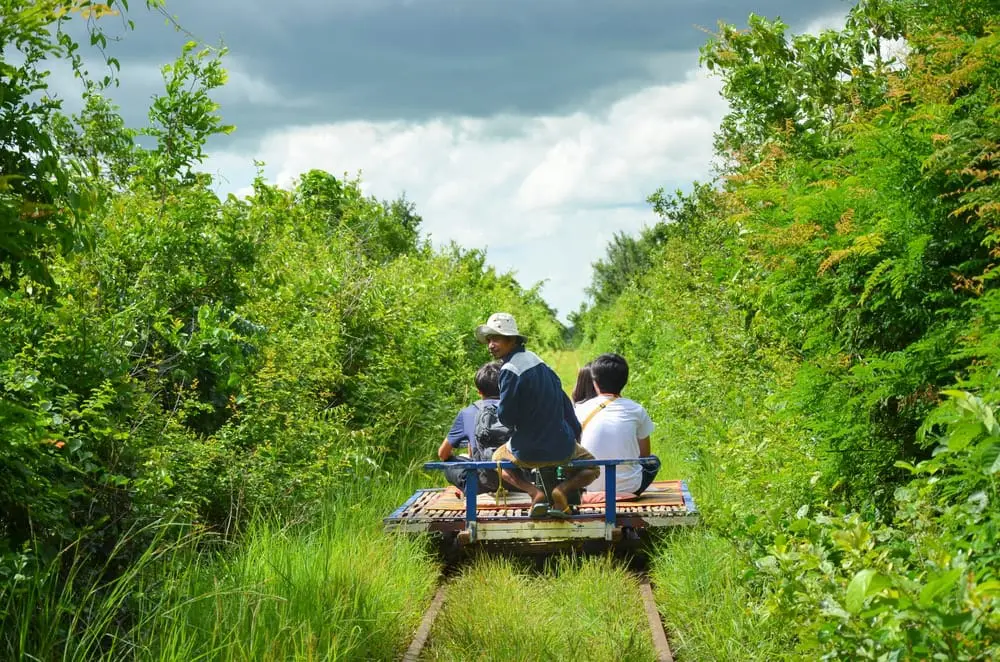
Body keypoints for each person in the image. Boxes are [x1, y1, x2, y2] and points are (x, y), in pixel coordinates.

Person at [475, 312, 599, 518]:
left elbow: (506, 417)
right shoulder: (544, 366)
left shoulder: (510, 369)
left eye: (496, 338)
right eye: (489, 340)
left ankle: (535, 492)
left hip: (527, 451)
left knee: (497, 458)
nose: (491, 344)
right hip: (562, 448)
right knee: (592, 466)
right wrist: (573, 437)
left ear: (512, 340)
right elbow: (566, 407)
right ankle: (562, 490)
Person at [575, 353, 660, 496]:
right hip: (630, 487)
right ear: (625, 381)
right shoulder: (637, 410)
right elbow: (644, 456)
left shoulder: (580, 409)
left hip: (587, 485)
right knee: (654, 461)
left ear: (595, 383)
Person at [437, 360, 528, 494]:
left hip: (483, 484)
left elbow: (442, 454)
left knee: (450, 462)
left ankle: (468, 489)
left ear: (479, 391)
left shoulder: (467, 413)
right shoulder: (523, 409)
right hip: (520, 482)